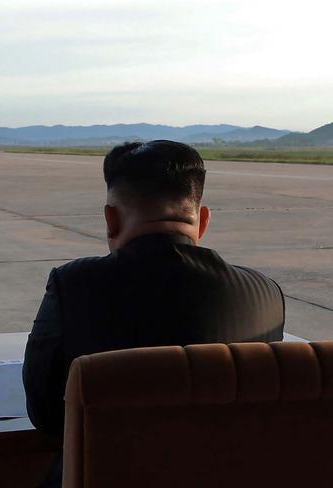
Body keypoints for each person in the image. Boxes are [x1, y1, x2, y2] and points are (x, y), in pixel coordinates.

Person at [22, 140, 285, 484]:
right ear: (202, 220)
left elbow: (46, 415)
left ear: (110, 220)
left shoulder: (74, 285)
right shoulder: (266, 295)